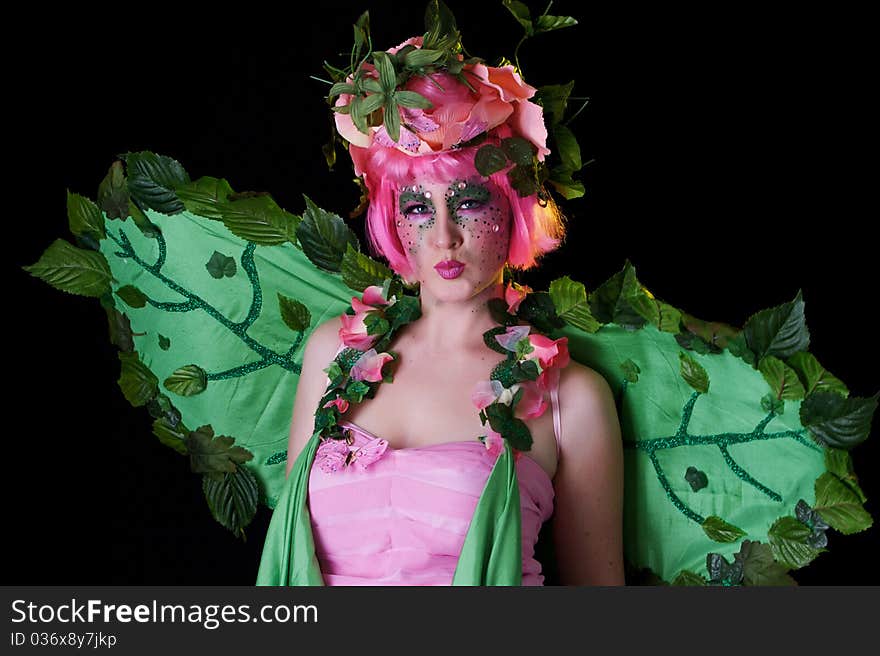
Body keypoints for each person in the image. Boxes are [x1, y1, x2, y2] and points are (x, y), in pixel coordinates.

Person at [256, 19, 625, 584]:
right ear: (392, 219)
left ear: (514, 207)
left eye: (471, 202)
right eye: (418, 207)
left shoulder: (568, 399)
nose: (444, 237)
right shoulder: (333, 355)